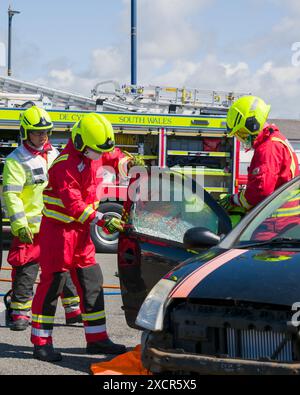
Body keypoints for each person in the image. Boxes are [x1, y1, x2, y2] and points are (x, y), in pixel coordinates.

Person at [30, 113, 142, 362]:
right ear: (80, 142)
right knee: (52, 285)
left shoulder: (95, 147)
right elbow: (74, 205)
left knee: (91, 282)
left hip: (79, 234)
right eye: (94, 151)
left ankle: (97, 338)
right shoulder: (63, 165)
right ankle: (41, 342)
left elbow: (113, 155)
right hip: (58, 232)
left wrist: (127, 162)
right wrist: (102, 219)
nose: (98, 156)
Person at [2, 106, 81, 331]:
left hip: (55, 224)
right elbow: (11, 195)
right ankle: (20, 313)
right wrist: (19, 224)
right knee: (26, 270)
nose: (42, 135)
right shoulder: (16, 160)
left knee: (63, 267)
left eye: (46, 131)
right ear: (25, 132)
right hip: (31, 229)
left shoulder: (55, 154)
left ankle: (73, 309)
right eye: (37, 132)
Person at [219, 95, 299, 215]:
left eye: (241, 133)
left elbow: (260, 192)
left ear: (252, 125)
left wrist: (233, 200)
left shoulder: (268, 148)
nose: (242, 139)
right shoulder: (275, 140)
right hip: (283, 217)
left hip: (275, 222)